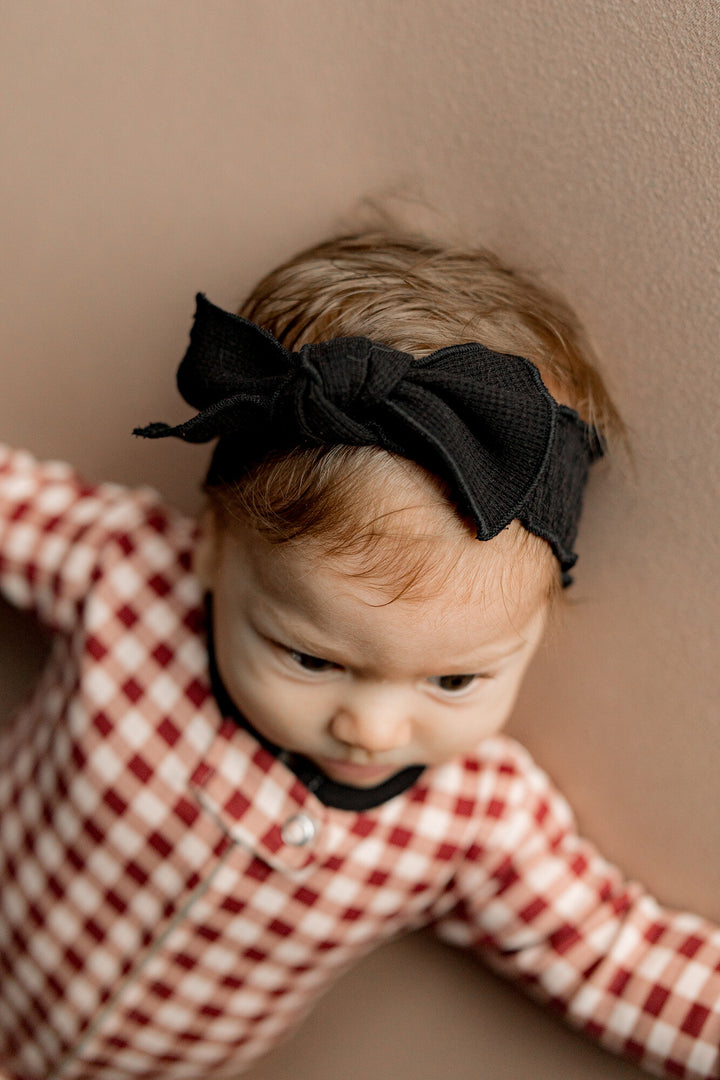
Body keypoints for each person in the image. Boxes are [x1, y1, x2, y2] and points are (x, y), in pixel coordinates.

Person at [0, 230, 717, 1080]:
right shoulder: (126, 580)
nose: (370, 729)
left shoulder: (472, 819)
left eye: (455, 679)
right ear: (214, 548)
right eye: (311, 658)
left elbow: (615, 958)